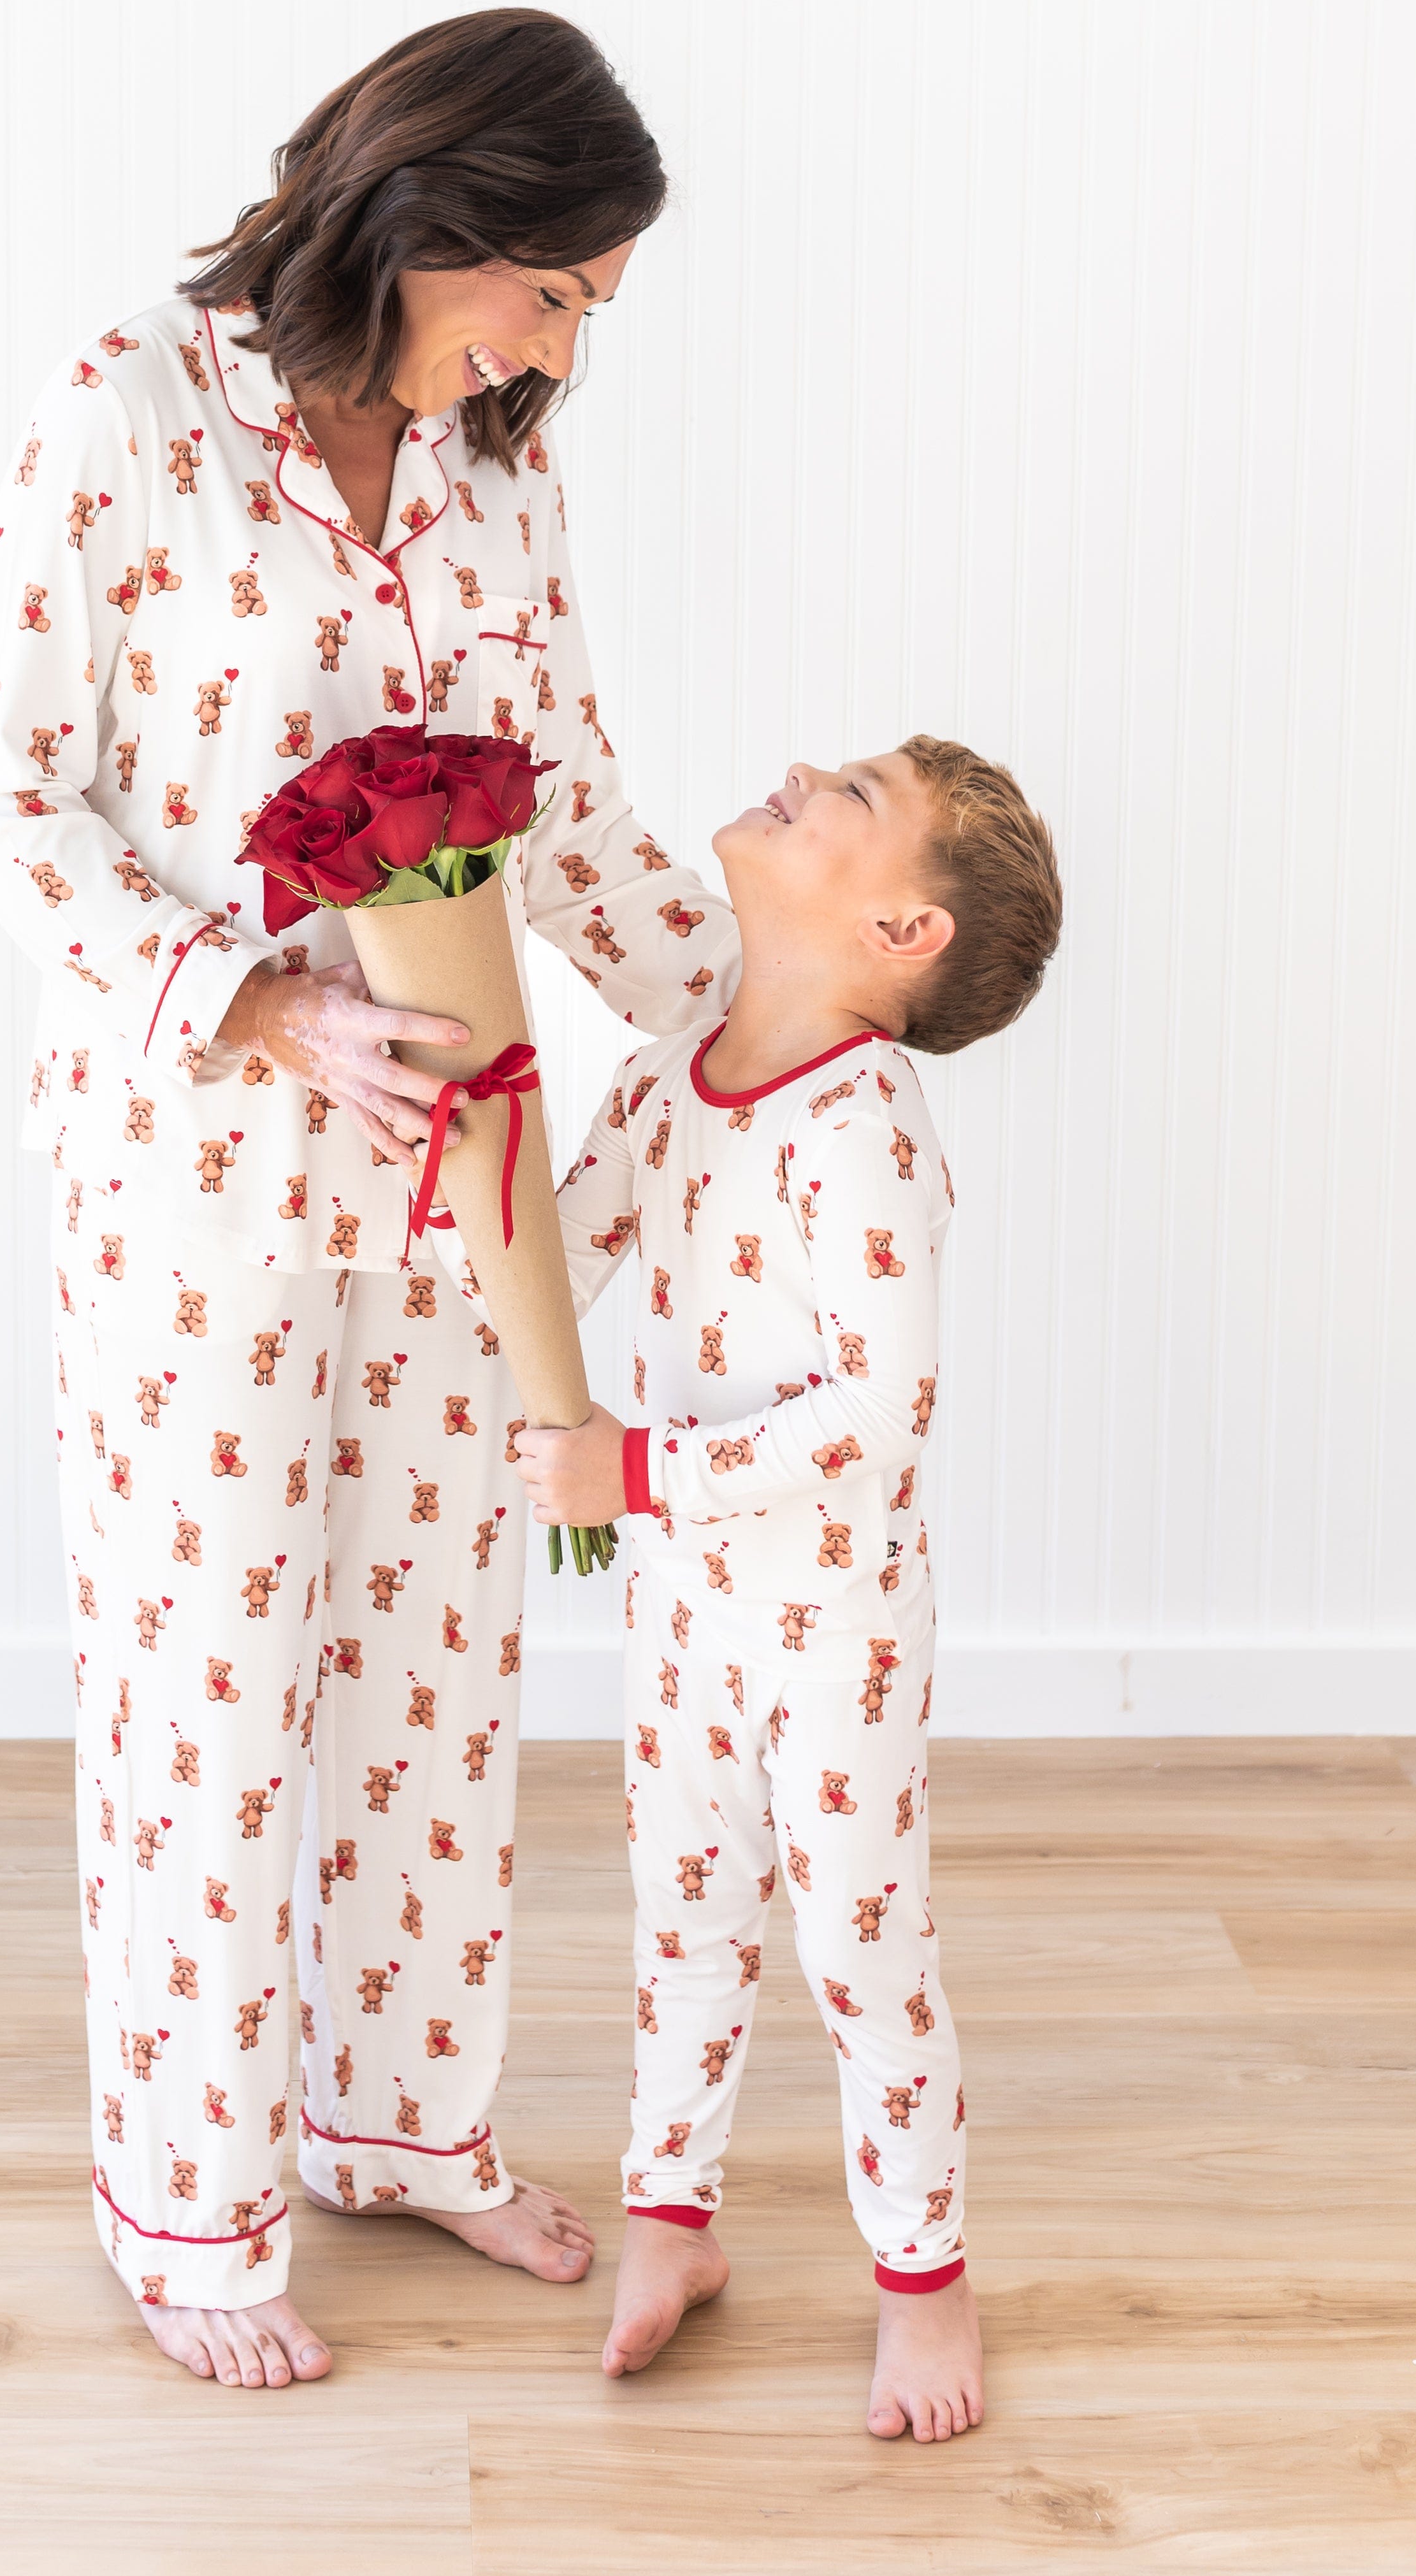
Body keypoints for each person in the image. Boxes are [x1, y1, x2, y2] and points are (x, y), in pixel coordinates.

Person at [0, 9, 737, 2391]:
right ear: (429, 214)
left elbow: (561, 799)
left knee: (428, 1670)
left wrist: (754, 1029)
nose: (565, 343)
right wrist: (241, 1001)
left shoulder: (498, 477)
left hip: (445, 1177)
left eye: (587, 305)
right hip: (188, 1172)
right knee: (203, 1687)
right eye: (553, 289)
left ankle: (399, 2119)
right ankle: (189, 2194)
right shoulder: (134, 405)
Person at [514, 737, 1061, 2444]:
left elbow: (877, 1409)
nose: (802, 767)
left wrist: (636, 1471)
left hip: (829, 1631)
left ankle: (925, 2274)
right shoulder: (672, 1074)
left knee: (854, 1938)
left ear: (899, 927)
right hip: (683, 1612)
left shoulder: (864, 1127)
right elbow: (567, 1243)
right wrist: (471, 1137)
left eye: (850, 793)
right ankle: (670, 2221)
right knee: (683, 1917)